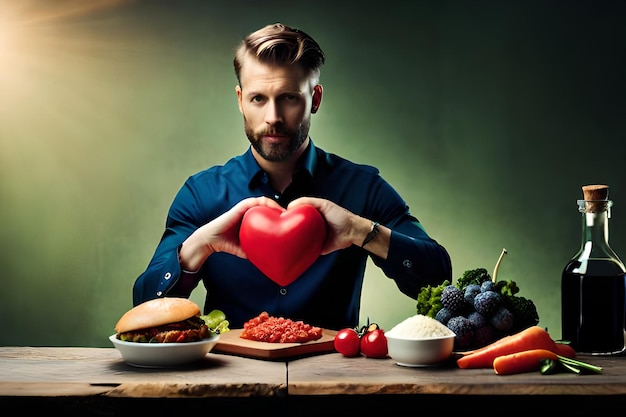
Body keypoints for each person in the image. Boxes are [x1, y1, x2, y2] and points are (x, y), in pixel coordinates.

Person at [133, 23, 452, 330]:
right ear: (240, 100)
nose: (273, 118)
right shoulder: (201, 193)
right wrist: (199, 246)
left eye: (288, 98)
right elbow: (144, 306)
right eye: (258, 98)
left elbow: (439, 280)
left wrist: (360, 229)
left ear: (315, 99)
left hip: (332, 381)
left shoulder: (363, 187)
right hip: (228, 379)